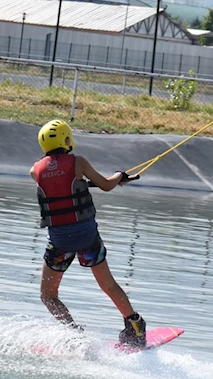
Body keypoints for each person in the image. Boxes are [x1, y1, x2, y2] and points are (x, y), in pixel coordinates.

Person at [29, 119, 146, 347]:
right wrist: (119, 176)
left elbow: (61, 185)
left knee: (48, 295)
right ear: (66, 140)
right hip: (87, 238)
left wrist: (84, 183)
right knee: (108, 285)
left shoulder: (35, 171)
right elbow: (106, 185)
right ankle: (135, 324)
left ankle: (76, 334)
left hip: (60, 242)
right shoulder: (78, 162)